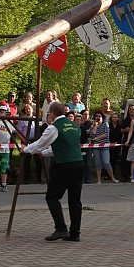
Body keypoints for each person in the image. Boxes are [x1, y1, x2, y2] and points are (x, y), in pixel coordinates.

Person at [23, 102, 83, 242]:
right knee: (75, 199)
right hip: (78, 163)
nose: (49, 115)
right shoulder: (75, 126)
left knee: (52, 197)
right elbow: (63, 146)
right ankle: (75, 233)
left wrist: (25, 150)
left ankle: (61, 229)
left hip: (64, 165)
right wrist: (44, 153)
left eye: (49, 113)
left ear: (53, 113)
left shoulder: (54, 127)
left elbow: (40, 144)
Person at [90, 110, 118, 184]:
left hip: (104, 146)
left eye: (99, 116)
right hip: (96, 147)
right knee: (98, 163)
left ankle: (113, 178)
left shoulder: (105, 124)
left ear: (102, 117)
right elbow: (92, 135)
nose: (98, 117)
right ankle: (99, 180)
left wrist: (96, 139)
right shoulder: (93, 125)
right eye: (96, 116)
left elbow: (106, 134)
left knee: (106, 163)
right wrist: (95, 127)